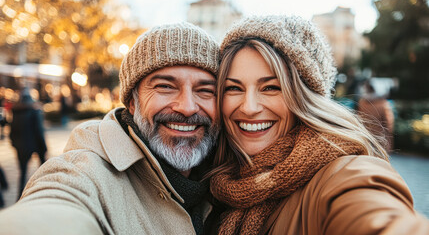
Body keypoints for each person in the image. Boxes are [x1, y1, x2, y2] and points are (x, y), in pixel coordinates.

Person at [209, 15, 429, 234]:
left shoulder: (343, 173)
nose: (249, 107)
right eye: (234, 88)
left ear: (305, 98)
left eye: (271, 87)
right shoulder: (214, 178)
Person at [0, 22, 220, 235]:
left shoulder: (228, 172)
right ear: (133, 102)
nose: (188, 107)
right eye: (165, 86)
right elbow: (55, 206)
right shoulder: (86, 172)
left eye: (205, 90)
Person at [9, 88, 47, 199]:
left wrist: (15, 144)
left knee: (22, 173)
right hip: (35, 145)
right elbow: (39, 131)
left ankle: (19, 197)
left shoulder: (15, 111)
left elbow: (12, 131)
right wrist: (43, 147)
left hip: (21, 147)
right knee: (43, 171)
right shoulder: (34, 111)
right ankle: (42, 194)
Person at [357, 81, 395, 152]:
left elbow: (359, 118)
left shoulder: (362, 102)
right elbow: (389, 123)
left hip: (365, 137)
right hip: (380, 138)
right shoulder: (384, 104)